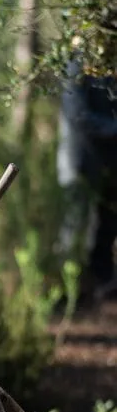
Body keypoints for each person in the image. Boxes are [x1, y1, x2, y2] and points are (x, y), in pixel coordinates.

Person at [57, 60, 117, 300]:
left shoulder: (106, 62)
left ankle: (99, 283)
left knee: (107, 224)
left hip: (109, 164)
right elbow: (78, 114)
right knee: (75, 226)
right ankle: (66, 292)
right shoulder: (75, 64)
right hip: (79, 163)